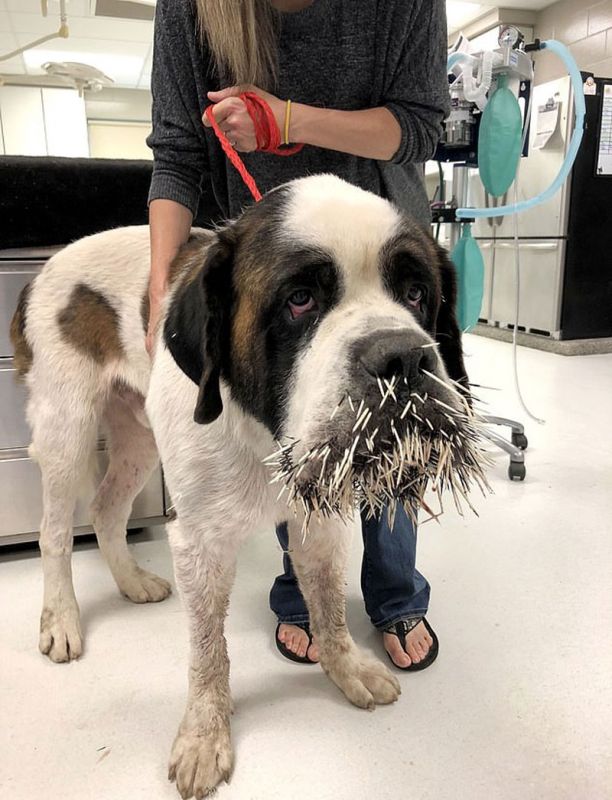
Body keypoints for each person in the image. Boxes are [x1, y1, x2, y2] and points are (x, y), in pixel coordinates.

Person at [146, 0, 450, 670]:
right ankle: (301, 591)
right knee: (300, 441)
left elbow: (420, 127)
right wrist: (161, 289)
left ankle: (396, 592)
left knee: (400, 420)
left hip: (384, 233)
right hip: (272, 256)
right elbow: (177, 151)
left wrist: (287, 119)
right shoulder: (191, 8)